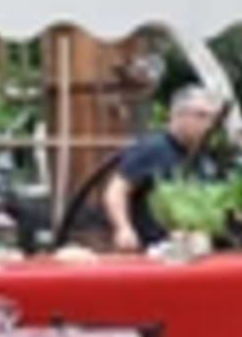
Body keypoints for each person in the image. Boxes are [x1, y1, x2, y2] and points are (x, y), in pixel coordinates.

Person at [69, 85, 227, 252]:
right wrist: (123, 228)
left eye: (212, 118)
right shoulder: (153, 149)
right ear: (178, 115)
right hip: (153, 250)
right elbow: (116, 189)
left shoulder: (204, 158)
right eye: (201, 116)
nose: (208, 124)